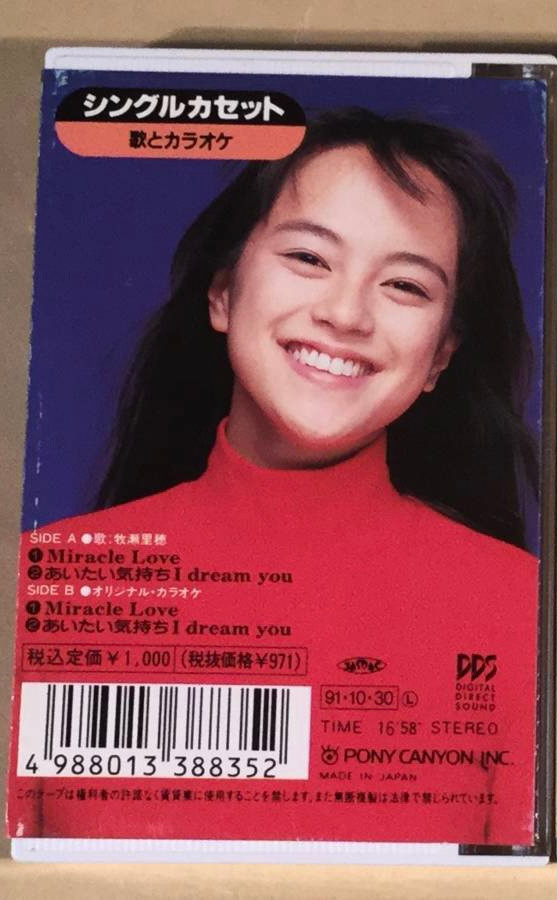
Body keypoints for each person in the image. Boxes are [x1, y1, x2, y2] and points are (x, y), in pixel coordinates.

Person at [12, 108, 539, 847]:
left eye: (404, 285)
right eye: (309, 258)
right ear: (223, 292)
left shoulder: (521, 611)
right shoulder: (49, 584)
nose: (345, 314)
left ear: (440, 358)